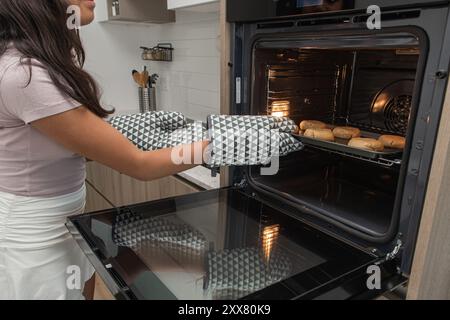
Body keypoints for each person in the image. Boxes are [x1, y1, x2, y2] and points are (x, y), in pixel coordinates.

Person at [0, 0, 301, 300]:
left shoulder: (30, 62)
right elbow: (139, 165)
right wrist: (218, 147)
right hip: (35, 235)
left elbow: (55, 144)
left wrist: (123, 130)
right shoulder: (25, 75)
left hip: (62, 219)